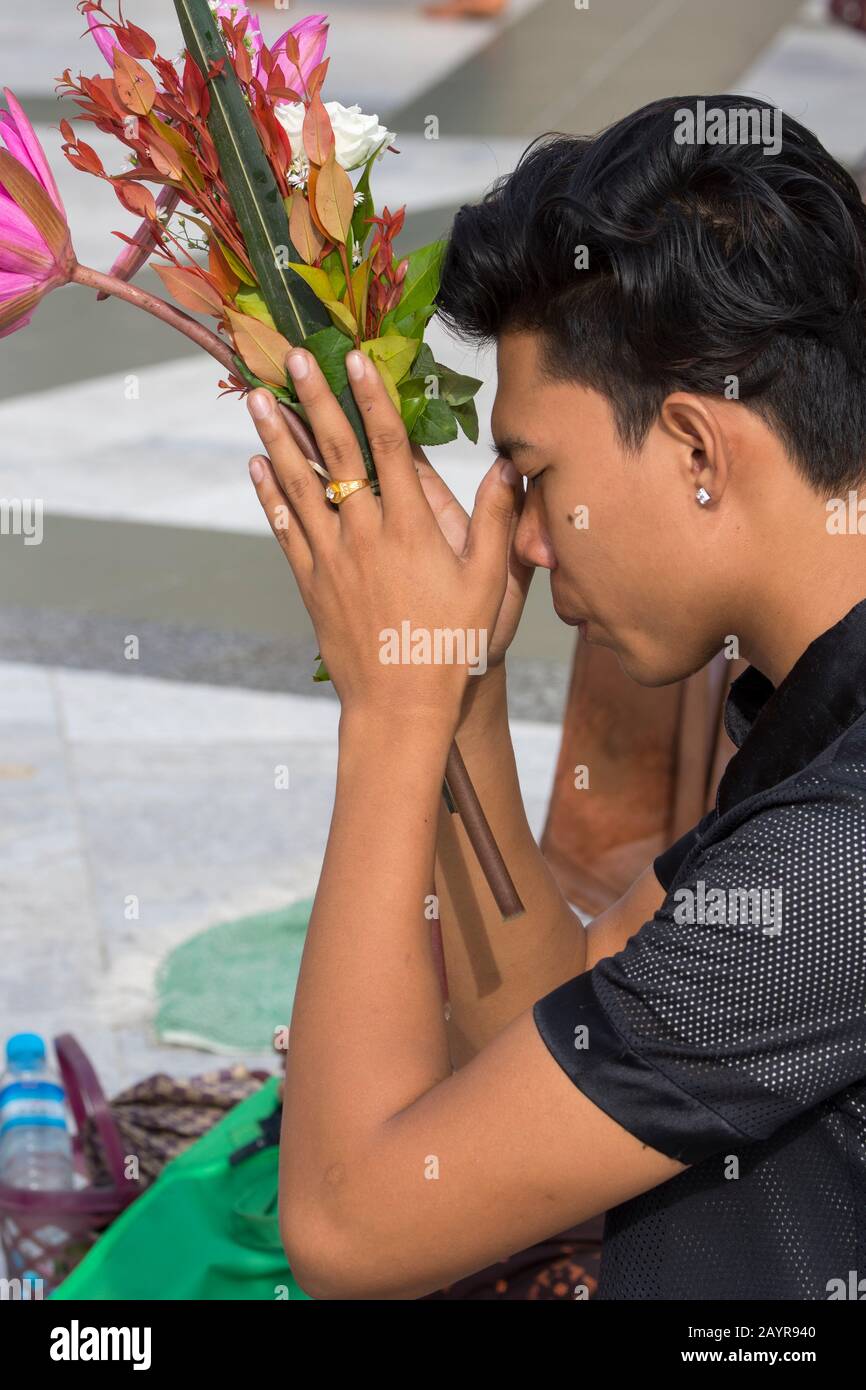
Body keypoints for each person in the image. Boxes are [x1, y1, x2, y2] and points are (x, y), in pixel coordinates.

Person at [244, 94, 866, 1300]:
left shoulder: (832, 862)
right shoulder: (813, 705)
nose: (523, 541)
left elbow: (343, 1224)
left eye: (534, 475)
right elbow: (562, 1039)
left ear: (695, 449)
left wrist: (389, 716)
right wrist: (462, 705)